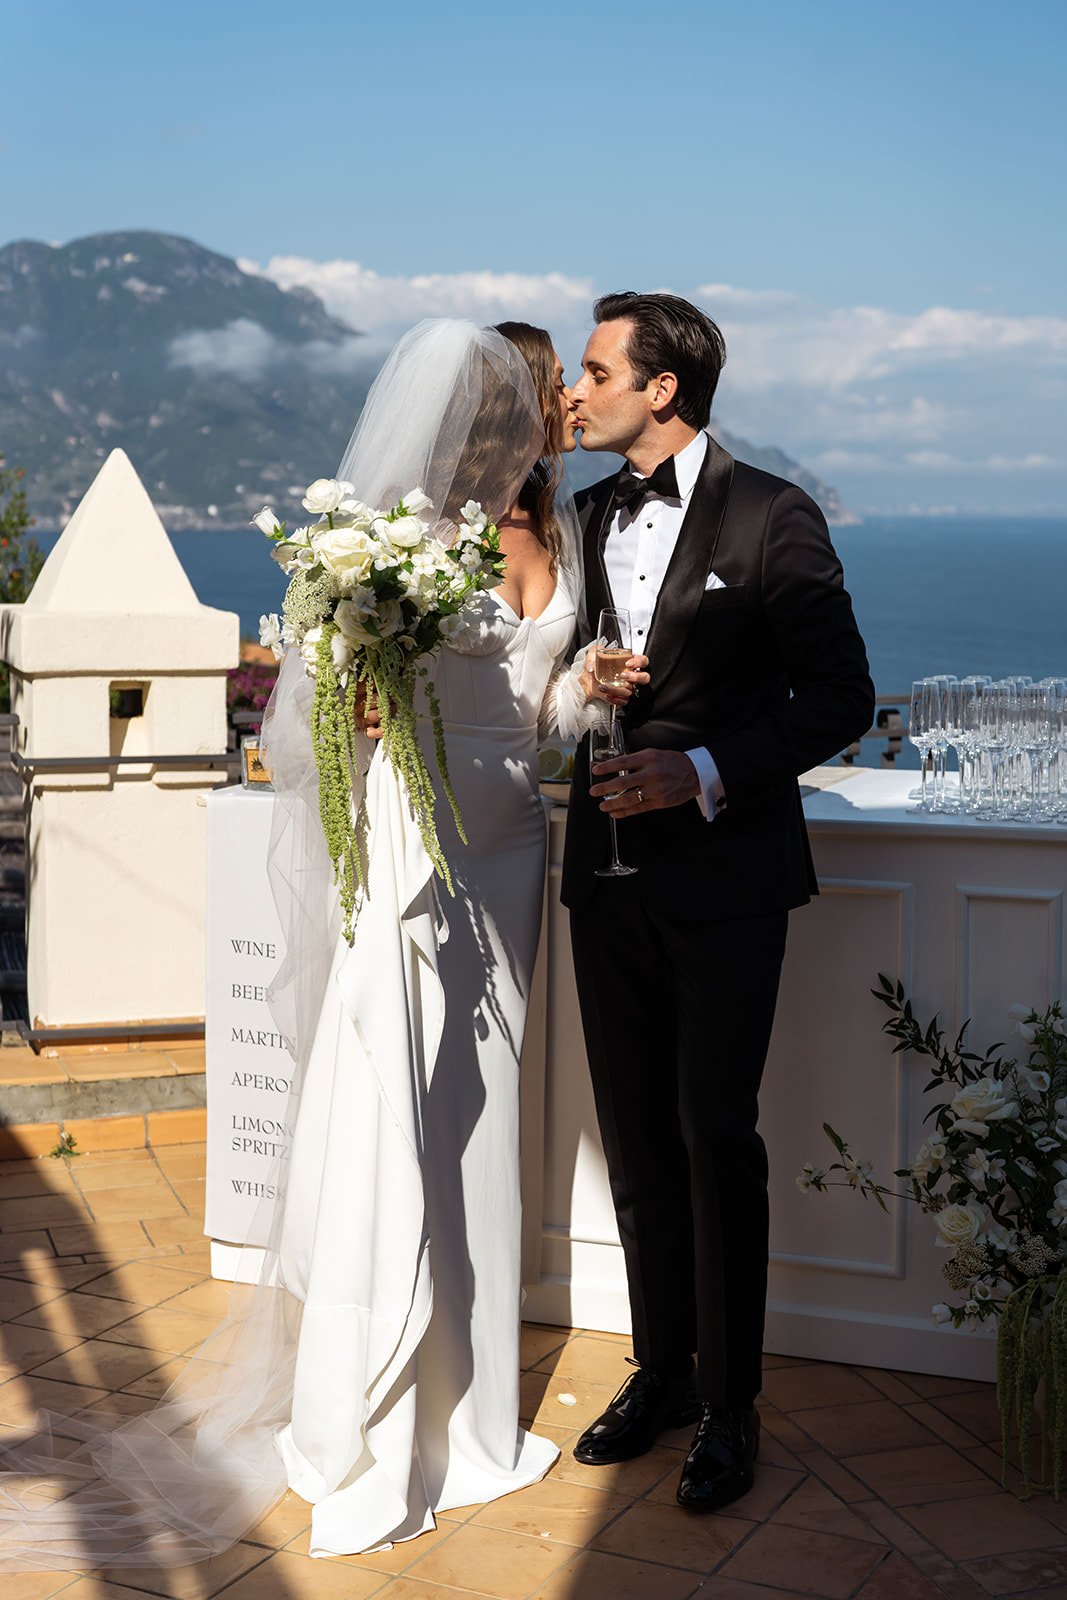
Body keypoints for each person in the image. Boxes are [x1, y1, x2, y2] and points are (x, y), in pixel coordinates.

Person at [0, 319, 642, 1570]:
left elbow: (528, 708)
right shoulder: (405, 535)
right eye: (546, 389)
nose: (564, 404)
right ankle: (381, 1408)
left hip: (513, 838)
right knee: (400, 1102)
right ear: (498, 407)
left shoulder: (551, 532)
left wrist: (586, 688)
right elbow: (335, 702)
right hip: (420, 838)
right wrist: (364, 701)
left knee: (483, 1112)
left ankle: (469, 1410)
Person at [562, 292, 875, 1512]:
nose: (574, 390)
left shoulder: (772, 513)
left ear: (661, 389)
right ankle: (660, 1373)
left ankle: (731, 1406)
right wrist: (580, 677)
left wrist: (697, 769)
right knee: (636, 1142)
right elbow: (559, 674)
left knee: (712, 1137)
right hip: (601, 874)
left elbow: (838, 695)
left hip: (727, 878)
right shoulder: (583, 514)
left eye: (595, 371)